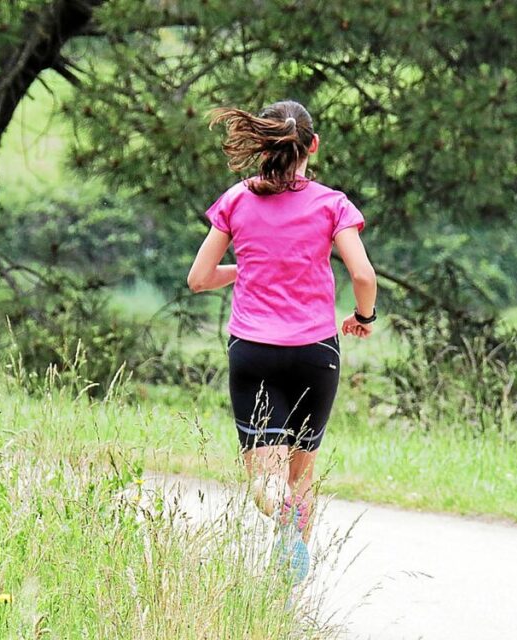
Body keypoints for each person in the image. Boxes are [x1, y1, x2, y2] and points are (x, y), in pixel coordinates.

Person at [187, 99, 378, 583]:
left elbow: (199, 278)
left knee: (264, 479)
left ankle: (282, 519)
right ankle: (288, 592)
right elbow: (362, 273)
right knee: (301, 474)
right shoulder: (333, 205)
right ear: (312, 145)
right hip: (316, 351)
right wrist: (362, 315)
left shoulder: (236, 200)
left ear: (265, 144)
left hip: (253, 350)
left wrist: (248, 268)